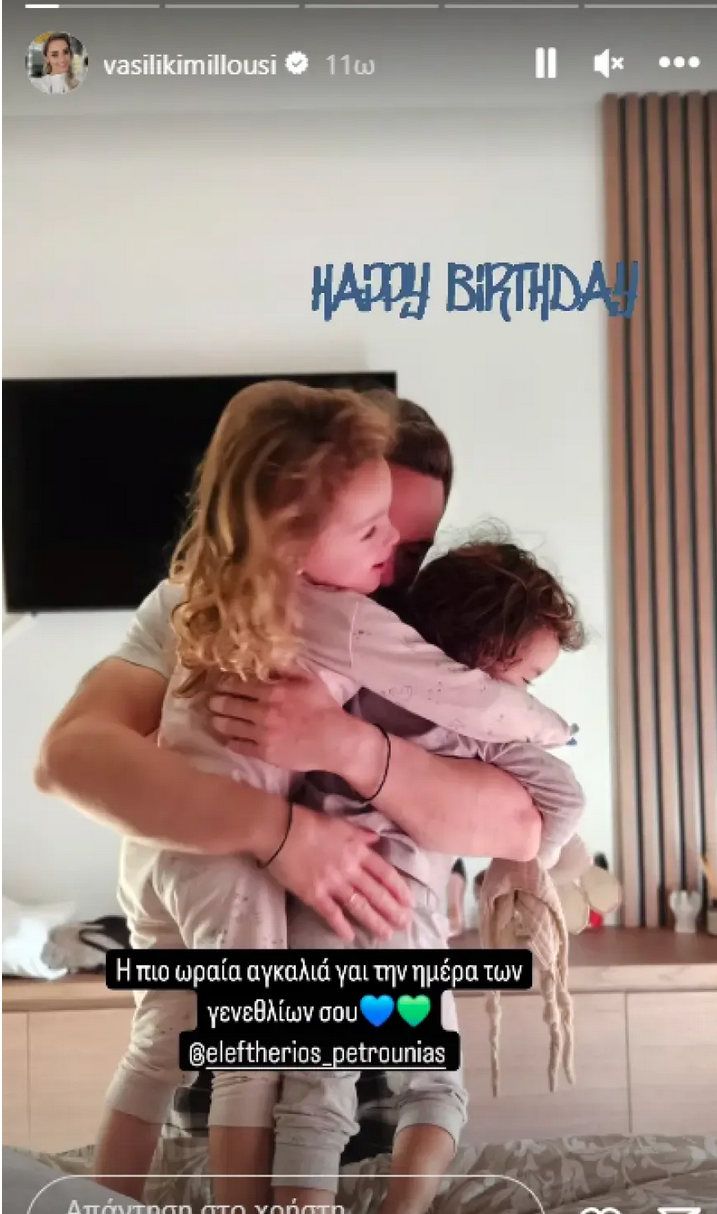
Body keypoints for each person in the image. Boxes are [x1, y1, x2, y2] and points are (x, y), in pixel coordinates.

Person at [34, 391, 542, 1188]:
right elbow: (70, 758)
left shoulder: (444, 640)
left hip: (379, 1061)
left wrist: (344, 744)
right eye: (372, 529)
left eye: (412, 547)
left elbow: (521, 822)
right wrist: (281, 832)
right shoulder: (198, 603)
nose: (389, 566)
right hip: (216, 1070)